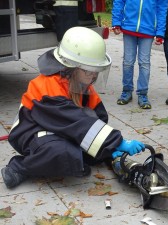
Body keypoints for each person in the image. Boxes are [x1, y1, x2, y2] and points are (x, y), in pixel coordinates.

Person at [1, 27, 145, 188]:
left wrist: (107, 148)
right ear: (72, 66)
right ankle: (19, 167)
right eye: (89, 71)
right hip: (30, 132)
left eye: (96, 71)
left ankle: (71, 157)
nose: (94, 76)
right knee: (61, 151)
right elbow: (75, 121)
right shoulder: (46, 87)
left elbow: (96, 118)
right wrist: (116, 141)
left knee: (89, 151)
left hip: (59, 126)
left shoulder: (81, 83)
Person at [112, 0, 168, 109]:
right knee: (128, 62)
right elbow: (119, 2)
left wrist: (160, 32)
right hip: (129, 27)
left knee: (144, 63)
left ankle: (143, 94)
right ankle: (127, 91)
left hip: (148, 30)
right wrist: (116, 22)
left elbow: (162, 9)